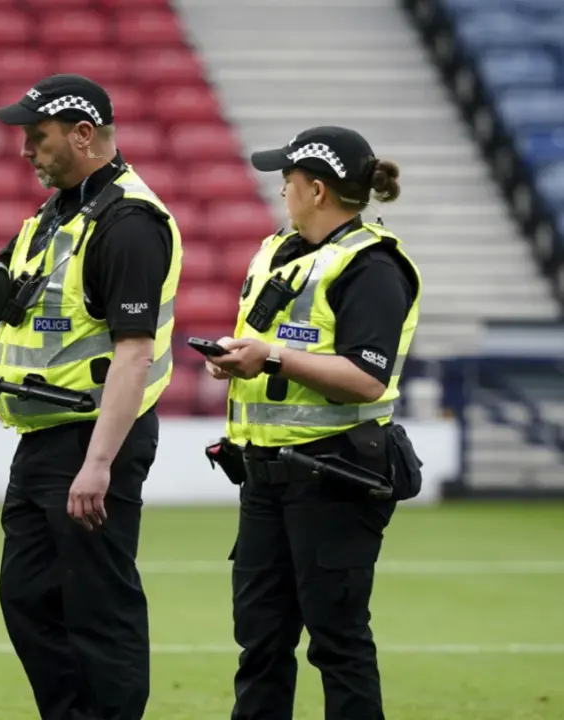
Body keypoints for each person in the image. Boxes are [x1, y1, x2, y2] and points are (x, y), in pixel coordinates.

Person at [0, 73, 183, 720]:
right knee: (27, 597)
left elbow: (135, 353)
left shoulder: (128, 223)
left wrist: (98, 463)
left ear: (82, 135)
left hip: (93, 438)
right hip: (47, 439)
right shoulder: (59, 215)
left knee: (98, 606)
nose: (25, 149)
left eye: (36, 135)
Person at [202, 126, 425, 720]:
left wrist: (269, 357)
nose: (282, 191)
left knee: (338, 641)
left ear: (318, 189)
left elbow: (367, 376)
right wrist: (241, 361)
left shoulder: (373, 266)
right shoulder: (281, 248)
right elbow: (283, 352)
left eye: (289, 179)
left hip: (335, 473)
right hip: (265, 475)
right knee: (260, 642)